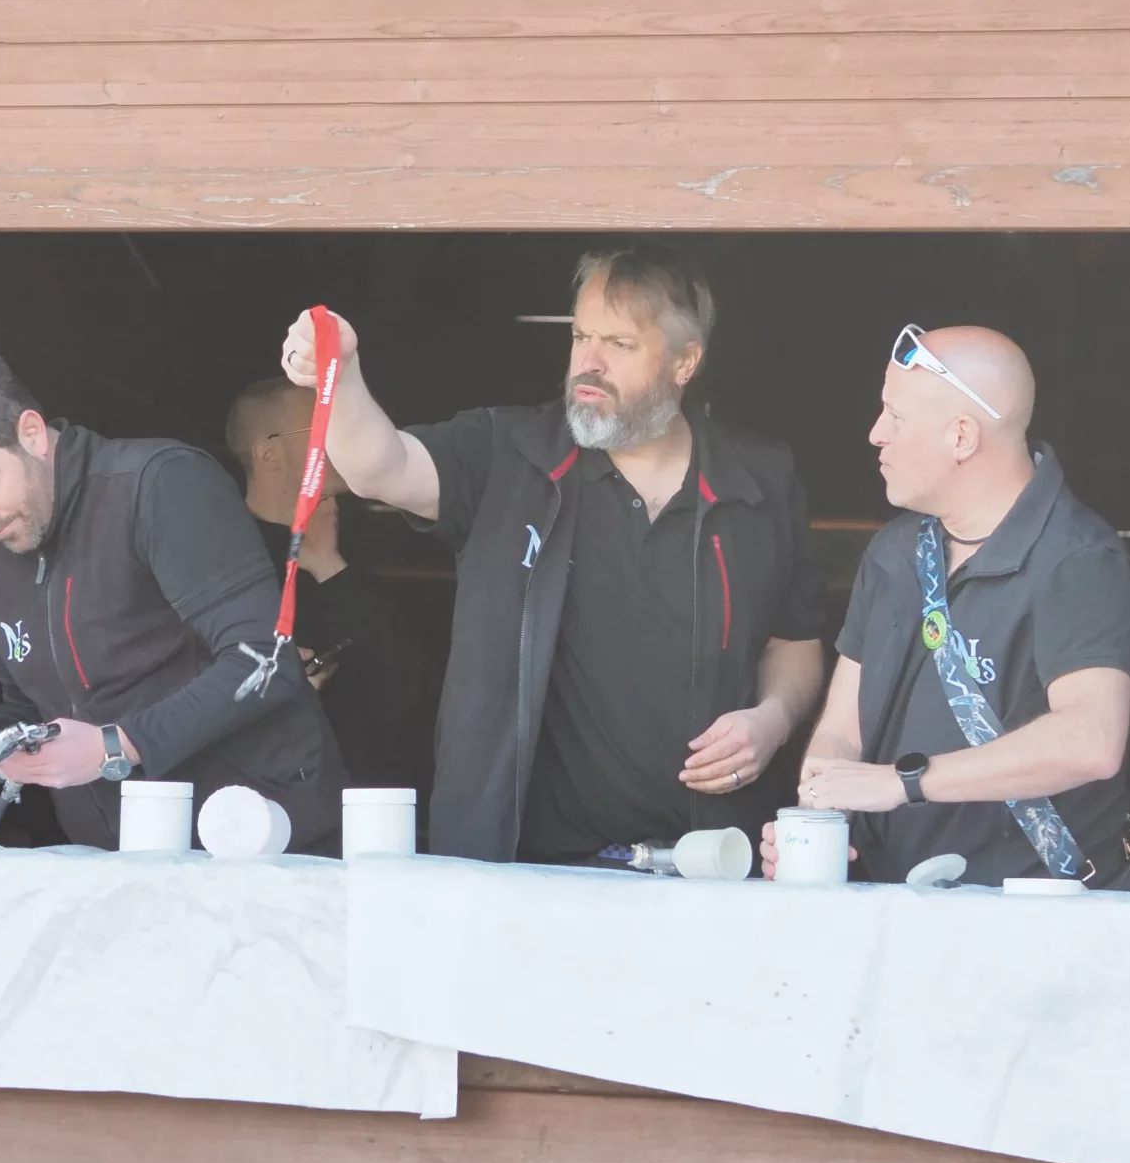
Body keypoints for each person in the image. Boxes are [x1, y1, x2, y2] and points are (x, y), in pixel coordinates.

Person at [280, 246, 828, 865]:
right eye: (581, 336)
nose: (589, 362)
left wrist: (773, 720)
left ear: (685, 362)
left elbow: (795, 639)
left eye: (619, 344)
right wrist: (343, 373)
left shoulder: (759, 480)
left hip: (712, 863)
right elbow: (381, 467)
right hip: (532, 868)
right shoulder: (509, 453)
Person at [0, 347, 347, 851]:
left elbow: (266, 659)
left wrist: (118, 745)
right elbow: (31, 704)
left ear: (32, 433)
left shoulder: (158, 483)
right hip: (122, 861)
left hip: (258, 842)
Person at [769, 325, 1130, 887]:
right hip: (886, 902)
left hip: (1031, 911)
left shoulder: (1078, 559)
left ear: (962, 436)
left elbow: (1090, 741)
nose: (875, 434)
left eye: (895, 417)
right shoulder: (894, 551)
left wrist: (905, 782)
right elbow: (843, 731)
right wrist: (816, 827)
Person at [224, 376, 432, 791]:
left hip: (366, 799)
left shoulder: (360, 538)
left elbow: (412, 689)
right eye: (320, 427)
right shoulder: (222, 555)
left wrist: (329, 566)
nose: (339, 438)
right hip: (260, 800)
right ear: (269, 453)